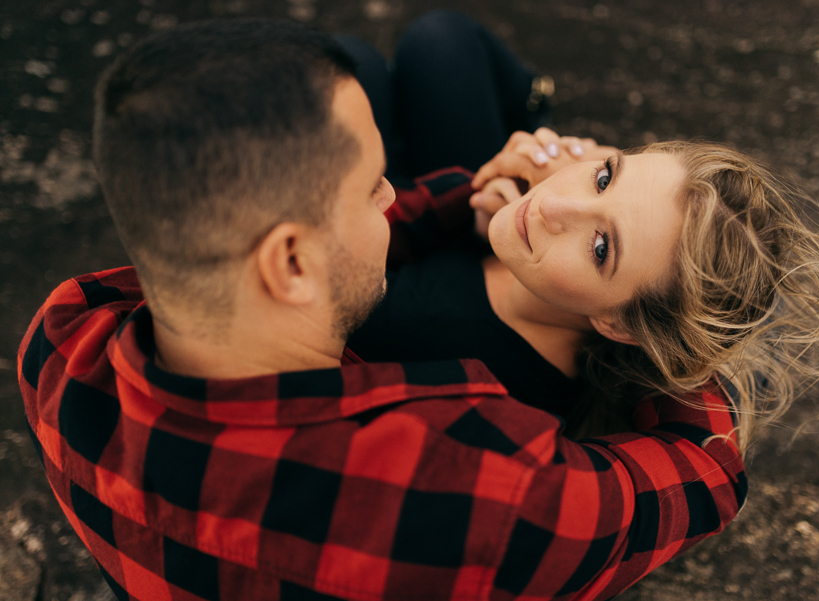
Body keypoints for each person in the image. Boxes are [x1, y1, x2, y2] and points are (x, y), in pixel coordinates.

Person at [18, 17, 746, 601]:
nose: (396, 197)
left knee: (384, 54)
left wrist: (477, 198)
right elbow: (706, 469)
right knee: (441, 42)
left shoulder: (60, 341)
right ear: (291, 263)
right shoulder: (466, 489)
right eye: (373, 186)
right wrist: (677, 313)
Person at [339, 12, 819, 448]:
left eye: (602, 247)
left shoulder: (454, 361)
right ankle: (535, 113)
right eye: (605, 175)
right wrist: (482, 216)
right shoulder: (538, 236)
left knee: (350, 64)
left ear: (618, 325)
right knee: (440, 39)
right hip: (477, 236)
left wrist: (447, 210)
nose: (554, 203)